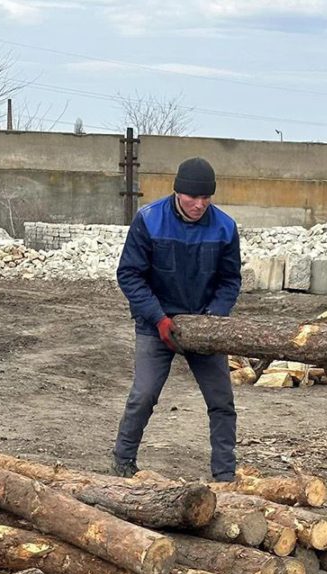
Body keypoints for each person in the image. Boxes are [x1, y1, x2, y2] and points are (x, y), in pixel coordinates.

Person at [112, 156, 242, 482]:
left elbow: (230, 280)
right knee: (143, 395)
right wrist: (158, 318)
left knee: (221, 402)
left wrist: (213, 319)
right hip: (156, 324)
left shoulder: (225, 227)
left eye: (206, 198)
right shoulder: (149, 220)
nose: (199, 204)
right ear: (177, 192)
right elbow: (129, 275)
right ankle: (122, 462)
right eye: (192, 197)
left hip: (204, 327)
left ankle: (225, 476)